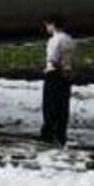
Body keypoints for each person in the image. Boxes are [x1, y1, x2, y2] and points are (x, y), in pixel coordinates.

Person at [40, 14, 75, 146]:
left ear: (52, 25)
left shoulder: (54, 40)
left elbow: (53, 58)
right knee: (63, 106)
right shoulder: (69, 39)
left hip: (54, 73)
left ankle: (49, 133)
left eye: (47, 25)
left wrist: (51, 67)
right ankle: (61, 134)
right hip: (66, 74)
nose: (47, 28)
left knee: (50, 105)